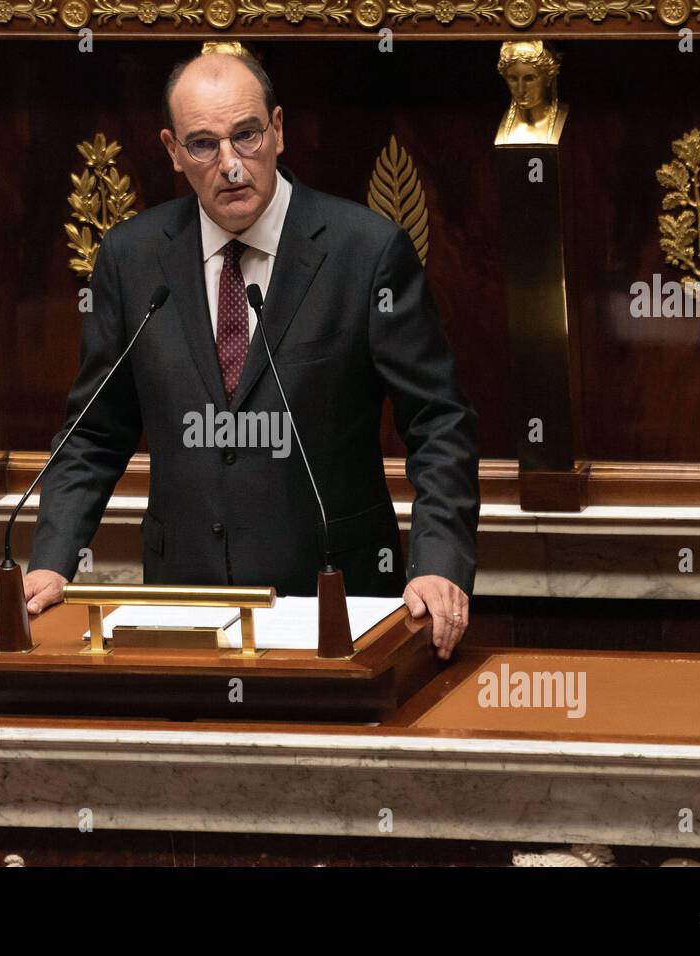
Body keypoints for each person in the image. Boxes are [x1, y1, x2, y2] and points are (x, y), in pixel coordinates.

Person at [25, 49, 479, 658]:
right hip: (183, 605)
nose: (231, 165)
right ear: (172, 151)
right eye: (204, 145)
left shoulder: (365, 253)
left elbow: (439, 421)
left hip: (336, 600)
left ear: (279, 129)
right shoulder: (132, 260)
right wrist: (53, 562)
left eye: (247, 136)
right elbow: (92, 433)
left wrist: (440, 563)